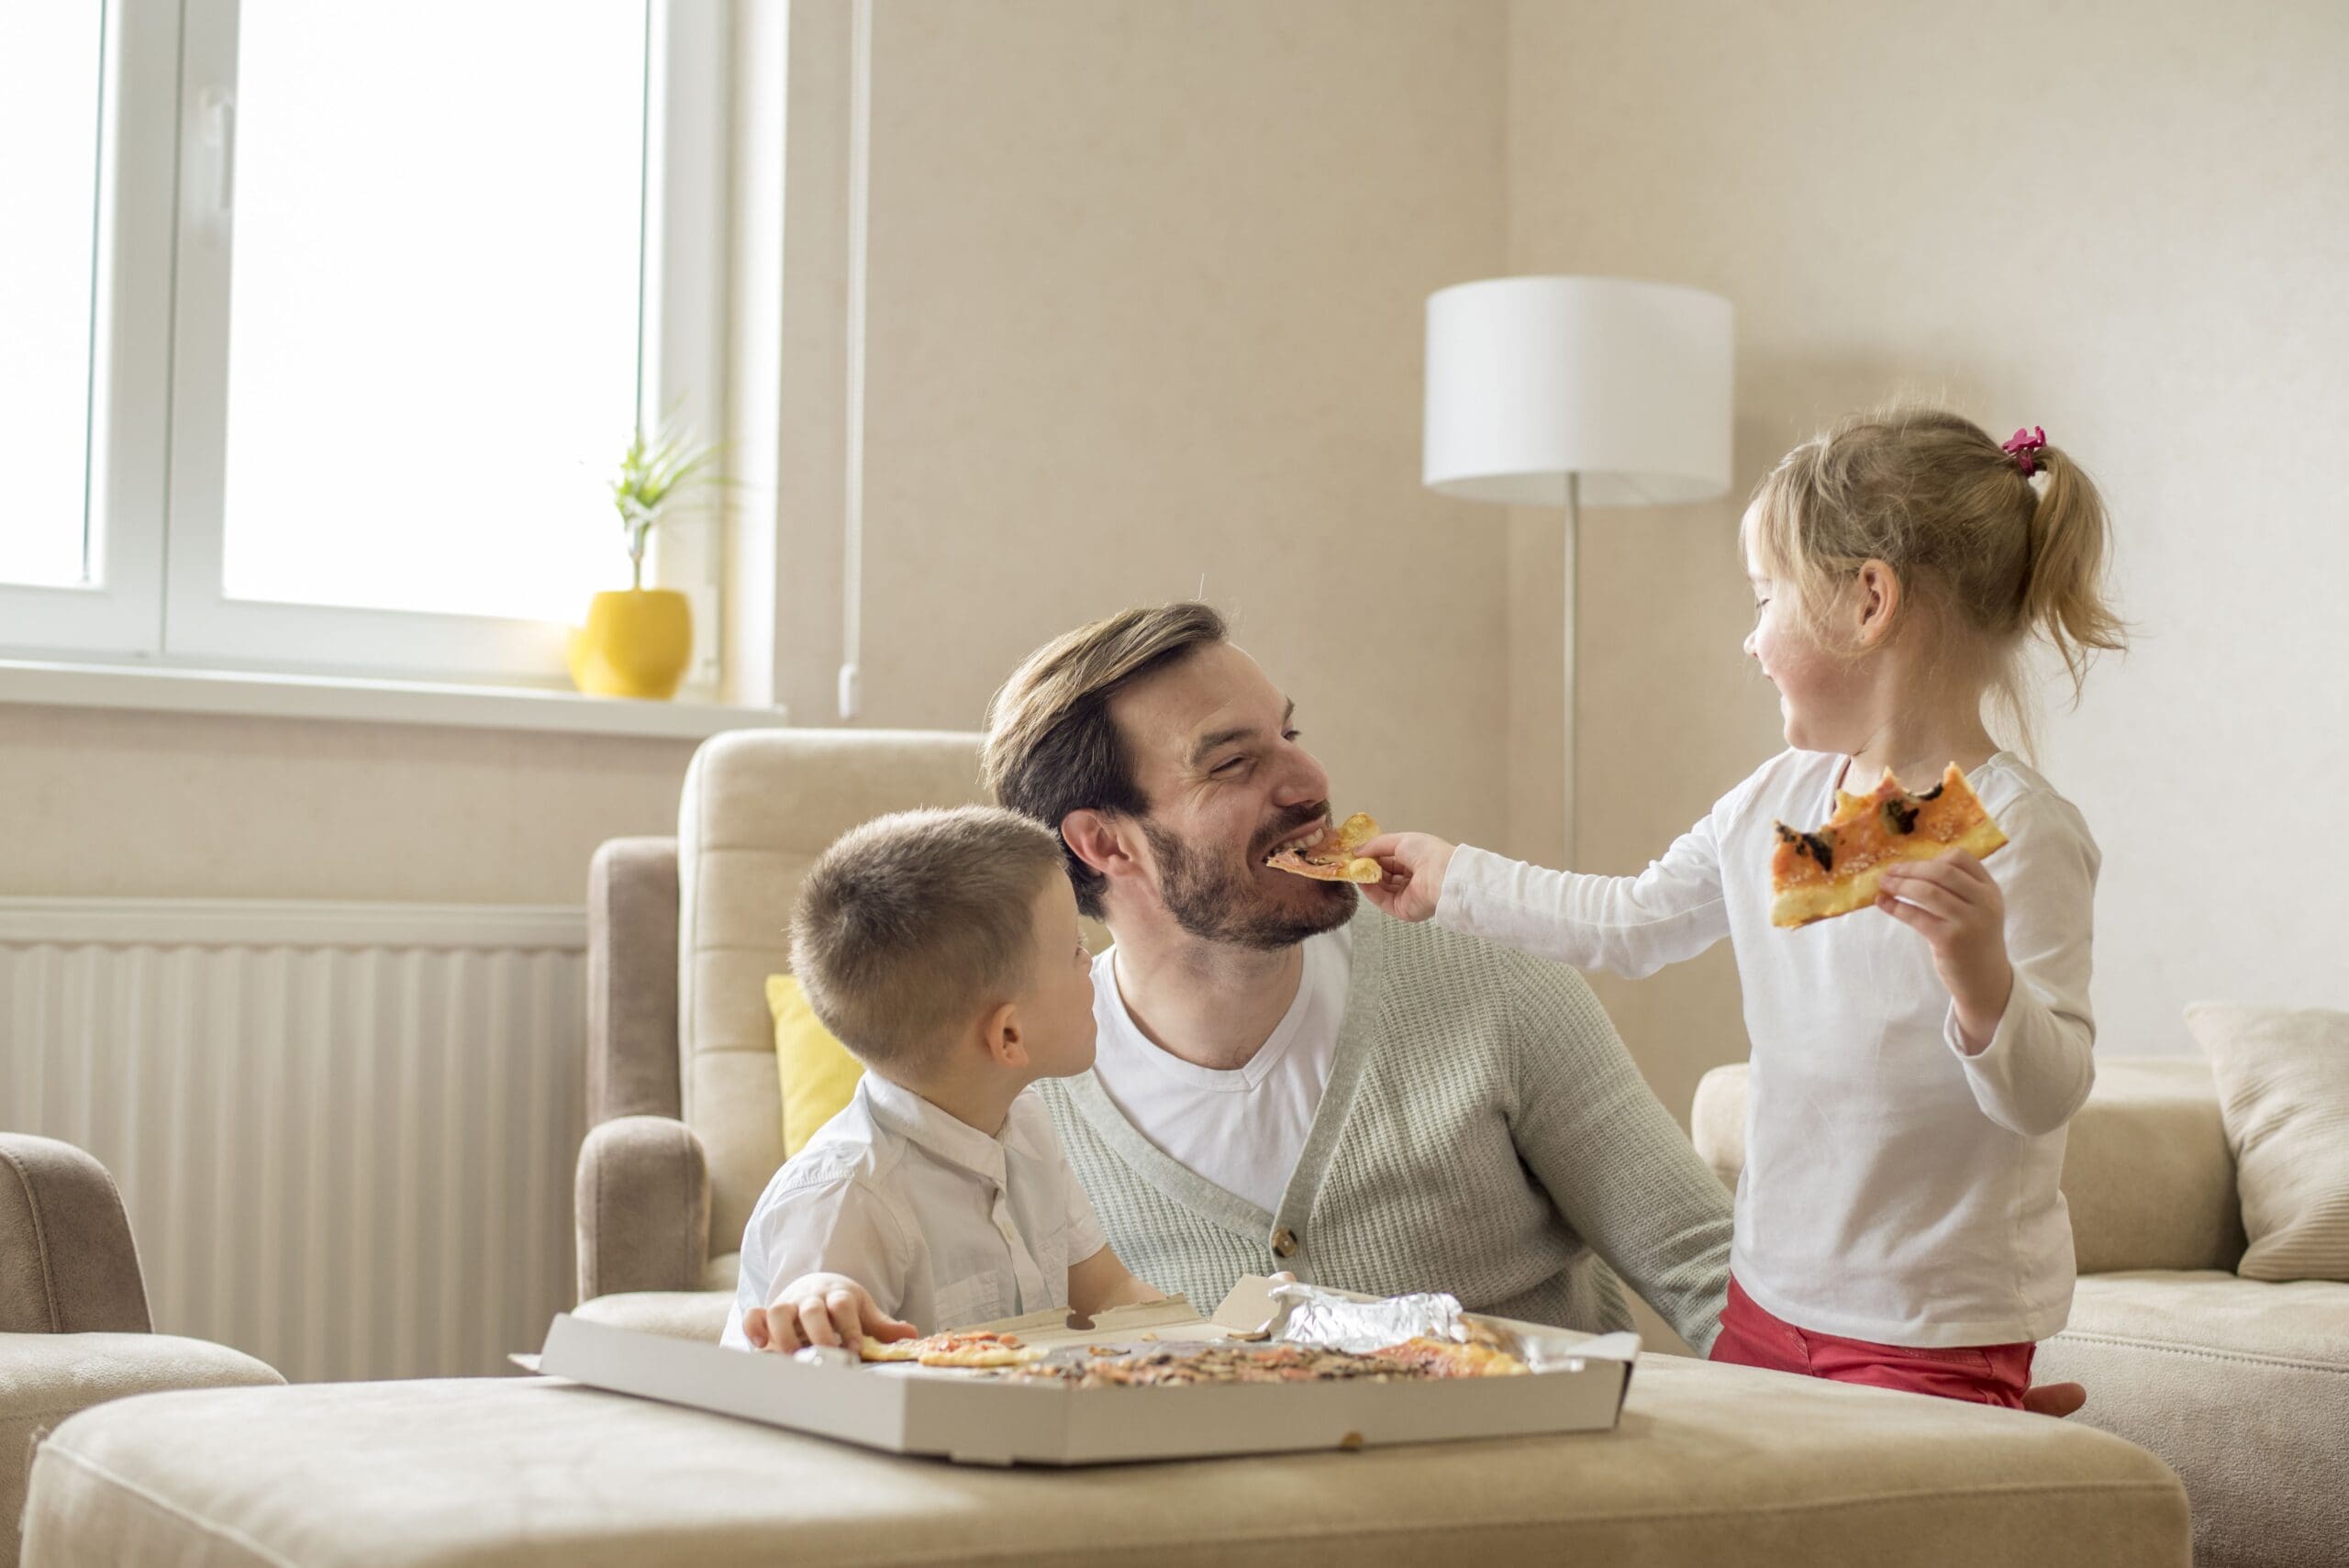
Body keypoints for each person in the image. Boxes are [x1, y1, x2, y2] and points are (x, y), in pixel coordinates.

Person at [1360, 408, 2124, 1409]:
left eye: (1766, 596)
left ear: (1868, 601)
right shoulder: (1772, 802)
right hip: (1769, 1295)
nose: (1750, 636)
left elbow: (2044, 1095)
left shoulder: (2024, 831)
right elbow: (1630, 920)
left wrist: (1983, 980)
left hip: (1928, 1320)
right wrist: (1452, 876)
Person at [981, 603, 1736, 1353]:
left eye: (1290, 734)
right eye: (1234, 762)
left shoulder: (1494, 981)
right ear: (1105, 841)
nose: (1309, 780)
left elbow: (1710, 1281)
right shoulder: (1019, 1094)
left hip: (1530, 1471)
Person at [724, 806, 1163, 1353]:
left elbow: (1108, 1293)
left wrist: (1242, 1346)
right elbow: (814, 1395)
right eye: (1075, 948)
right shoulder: (845, 1201)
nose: (1092, 961)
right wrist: (820, 1299)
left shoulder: (1026, 1125)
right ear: (1008, 1037)